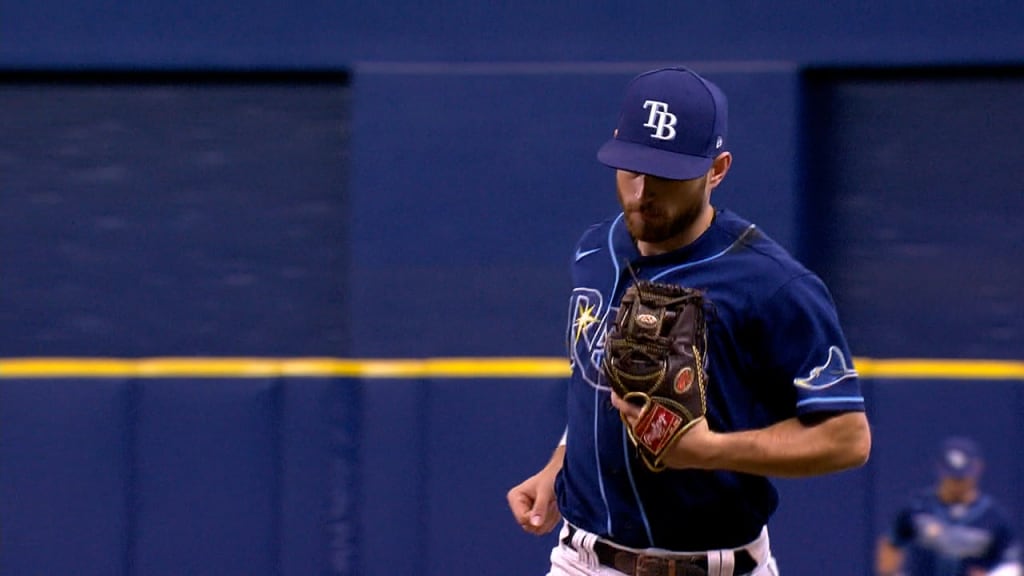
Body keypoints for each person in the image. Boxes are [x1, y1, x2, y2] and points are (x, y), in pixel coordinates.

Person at [506, 65, 872, 576]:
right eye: (632, 167)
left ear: (716, 169)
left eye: (667, 174)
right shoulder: (595, 248)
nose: (642, 191)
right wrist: (560, 462)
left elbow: (848, 438)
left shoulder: (773, 284)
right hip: (582, 561)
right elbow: (597, 380)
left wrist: (708, 451)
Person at [876, 437, 1023, 576]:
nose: (957, 484)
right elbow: (891, 542)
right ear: (940, 469)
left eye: (962, 478)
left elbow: (1011, 566)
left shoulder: (993, 517)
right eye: (952, 478)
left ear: (977, 469)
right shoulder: (918, 508)